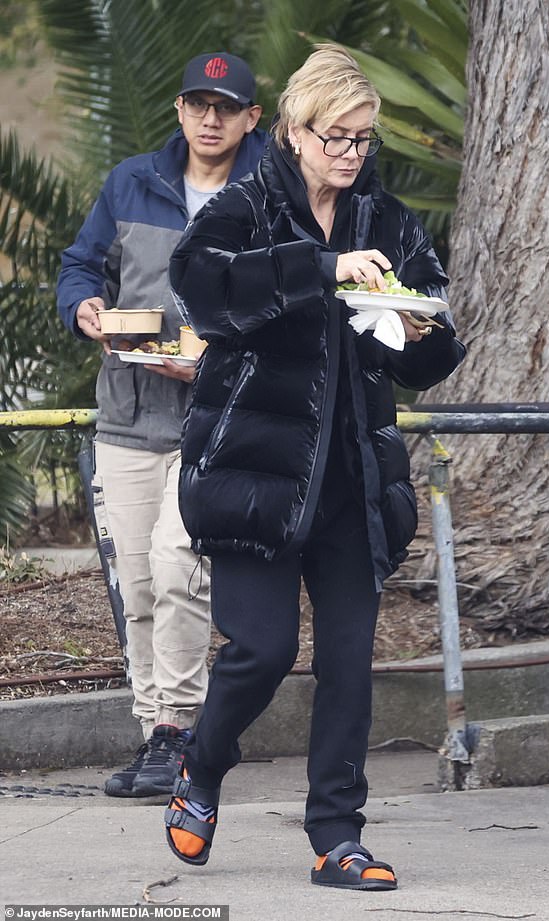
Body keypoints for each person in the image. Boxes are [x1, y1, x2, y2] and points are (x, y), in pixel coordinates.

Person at [163, 44, 466, 888]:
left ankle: (338, 836)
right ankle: (202, 765)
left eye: (363, 139)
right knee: (259, 651)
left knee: (348, 661)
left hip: (353, 481)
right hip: (253, 477)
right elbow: (200, 286)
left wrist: (420, 332)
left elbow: (434, 349)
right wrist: (321, 268)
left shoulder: (392, 221)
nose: (351, 153)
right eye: (336, 135)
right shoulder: (245, 207)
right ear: (294, 130)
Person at [56, 52, 266, 798]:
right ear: (179, 111)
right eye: (198, 104)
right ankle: (157, 739)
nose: (211, 119)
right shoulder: (130, 182)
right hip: (127, 417)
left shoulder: (271, 194)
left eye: (226, 107)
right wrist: (81, 306)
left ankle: (180, 730)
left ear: (252, 118)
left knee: (180, 571)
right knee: (137, 584)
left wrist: (215, 357)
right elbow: (80, 267)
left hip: (220, 422)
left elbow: (292, 303)